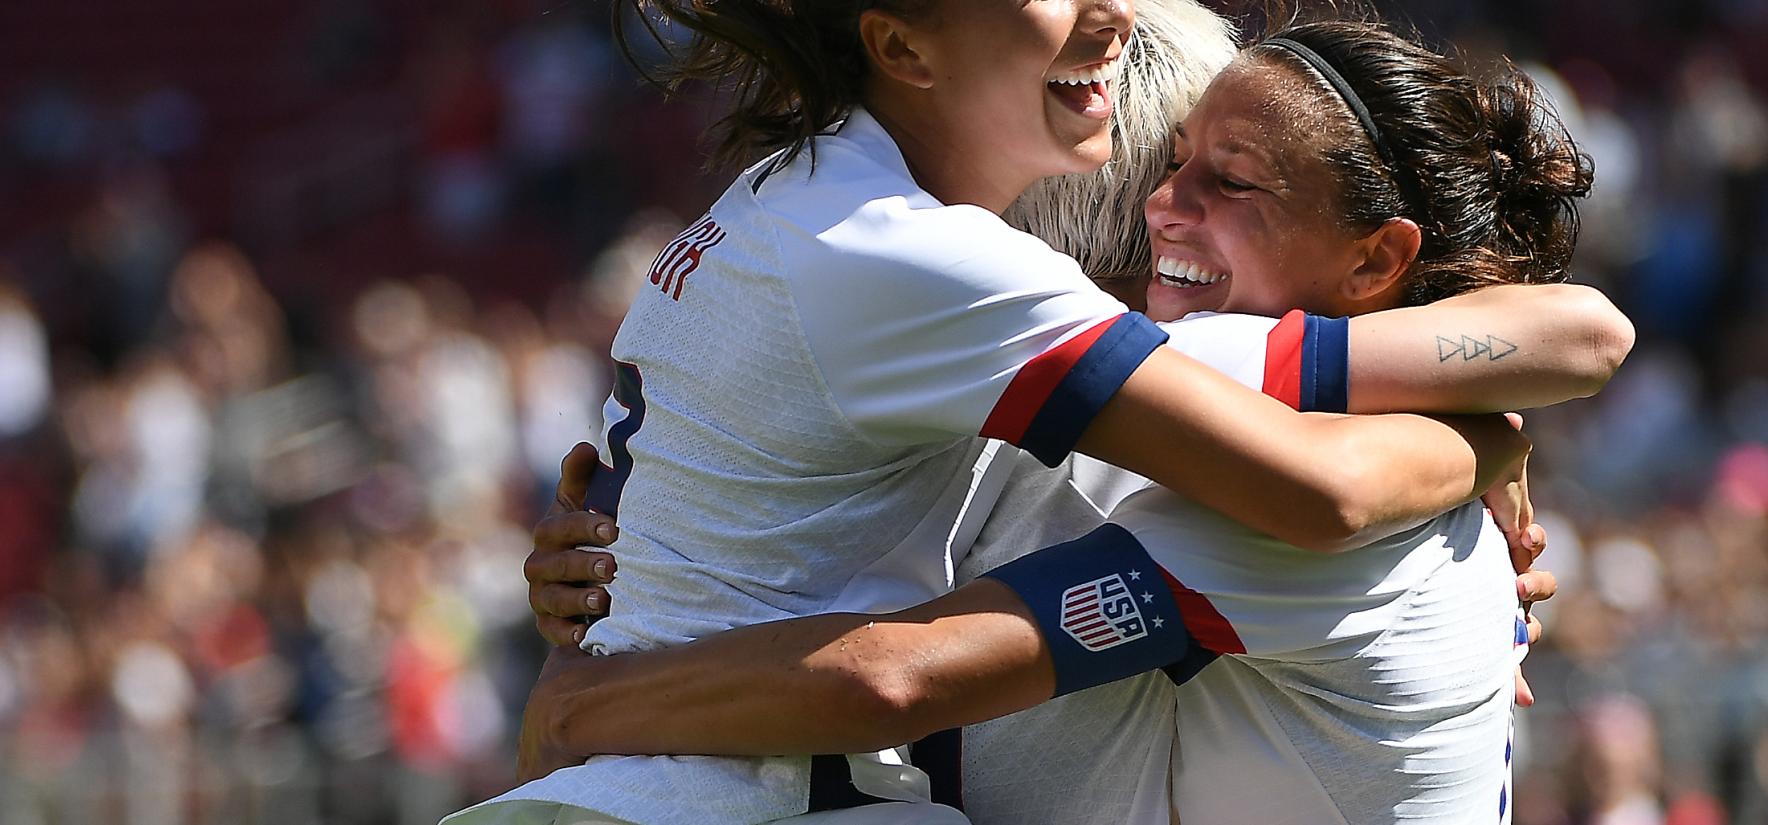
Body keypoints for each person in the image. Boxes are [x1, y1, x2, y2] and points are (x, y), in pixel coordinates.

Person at [450, 0, 1612, 821]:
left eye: (1227, 179)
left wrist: (594, 695)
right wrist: (1483, 437)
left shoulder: (1167, 389)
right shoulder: (1042, 367)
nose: (1165, 204)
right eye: (1170, 164)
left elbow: (1339, 492)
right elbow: (1561, 344)